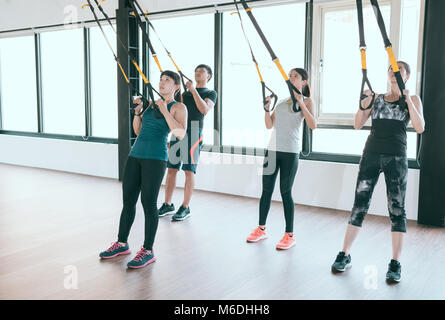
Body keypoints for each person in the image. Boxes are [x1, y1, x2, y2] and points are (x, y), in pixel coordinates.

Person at [331, 61, 425, 283]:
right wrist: (364, 104)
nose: (394, 75)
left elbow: (420, 127)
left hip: (397, 159)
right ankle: (344, 254)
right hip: (371, 156)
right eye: (391, 71)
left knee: (397, 209)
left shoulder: (412, 99)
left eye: (399, 72)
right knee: (359, 206)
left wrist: (407, 97)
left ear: (407, 76)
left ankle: (395, 263)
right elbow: (357, 124)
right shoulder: (377, 98)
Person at [99, 70, 188, 269]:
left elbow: (180, 134)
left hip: (155, 159)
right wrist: (138, 112)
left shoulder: (178, 106)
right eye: (161, 80)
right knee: (128, 201)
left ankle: (148, 251)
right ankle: (121, 243)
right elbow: (138, 130)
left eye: (167, 80)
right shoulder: (150, 104)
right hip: (135, 155)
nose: (162, 83)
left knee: (148, 204)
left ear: (176, 86)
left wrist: (165, 110)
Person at [246, 68, 317, 250]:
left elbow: (313, 125)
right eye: (290, 76)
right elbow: (269, 125)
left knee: (286, 191)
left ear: (304, 82)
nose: (291, 78)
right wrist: (267, 110)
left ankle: (289, 235)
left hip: (290, 152)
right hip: (272, 150)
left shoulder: (307, 101)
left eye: (296, 76)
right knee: (266, 191)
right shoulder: (282, 103)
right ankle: (261, 229)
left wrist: (301, 103)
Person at [158, 64, 217, 221]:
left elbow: (204, 109)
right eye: (196, 70)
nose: (198, 73)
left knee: (189, 171)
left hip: (194, 131)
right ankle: (168, 204)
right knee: (171, 169)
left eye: (202, 71)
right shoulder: (184, 93)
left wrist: (193, 90)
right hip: (178, 131)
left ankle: (185, 207)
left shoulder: (211, 93)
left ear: (208, 76)